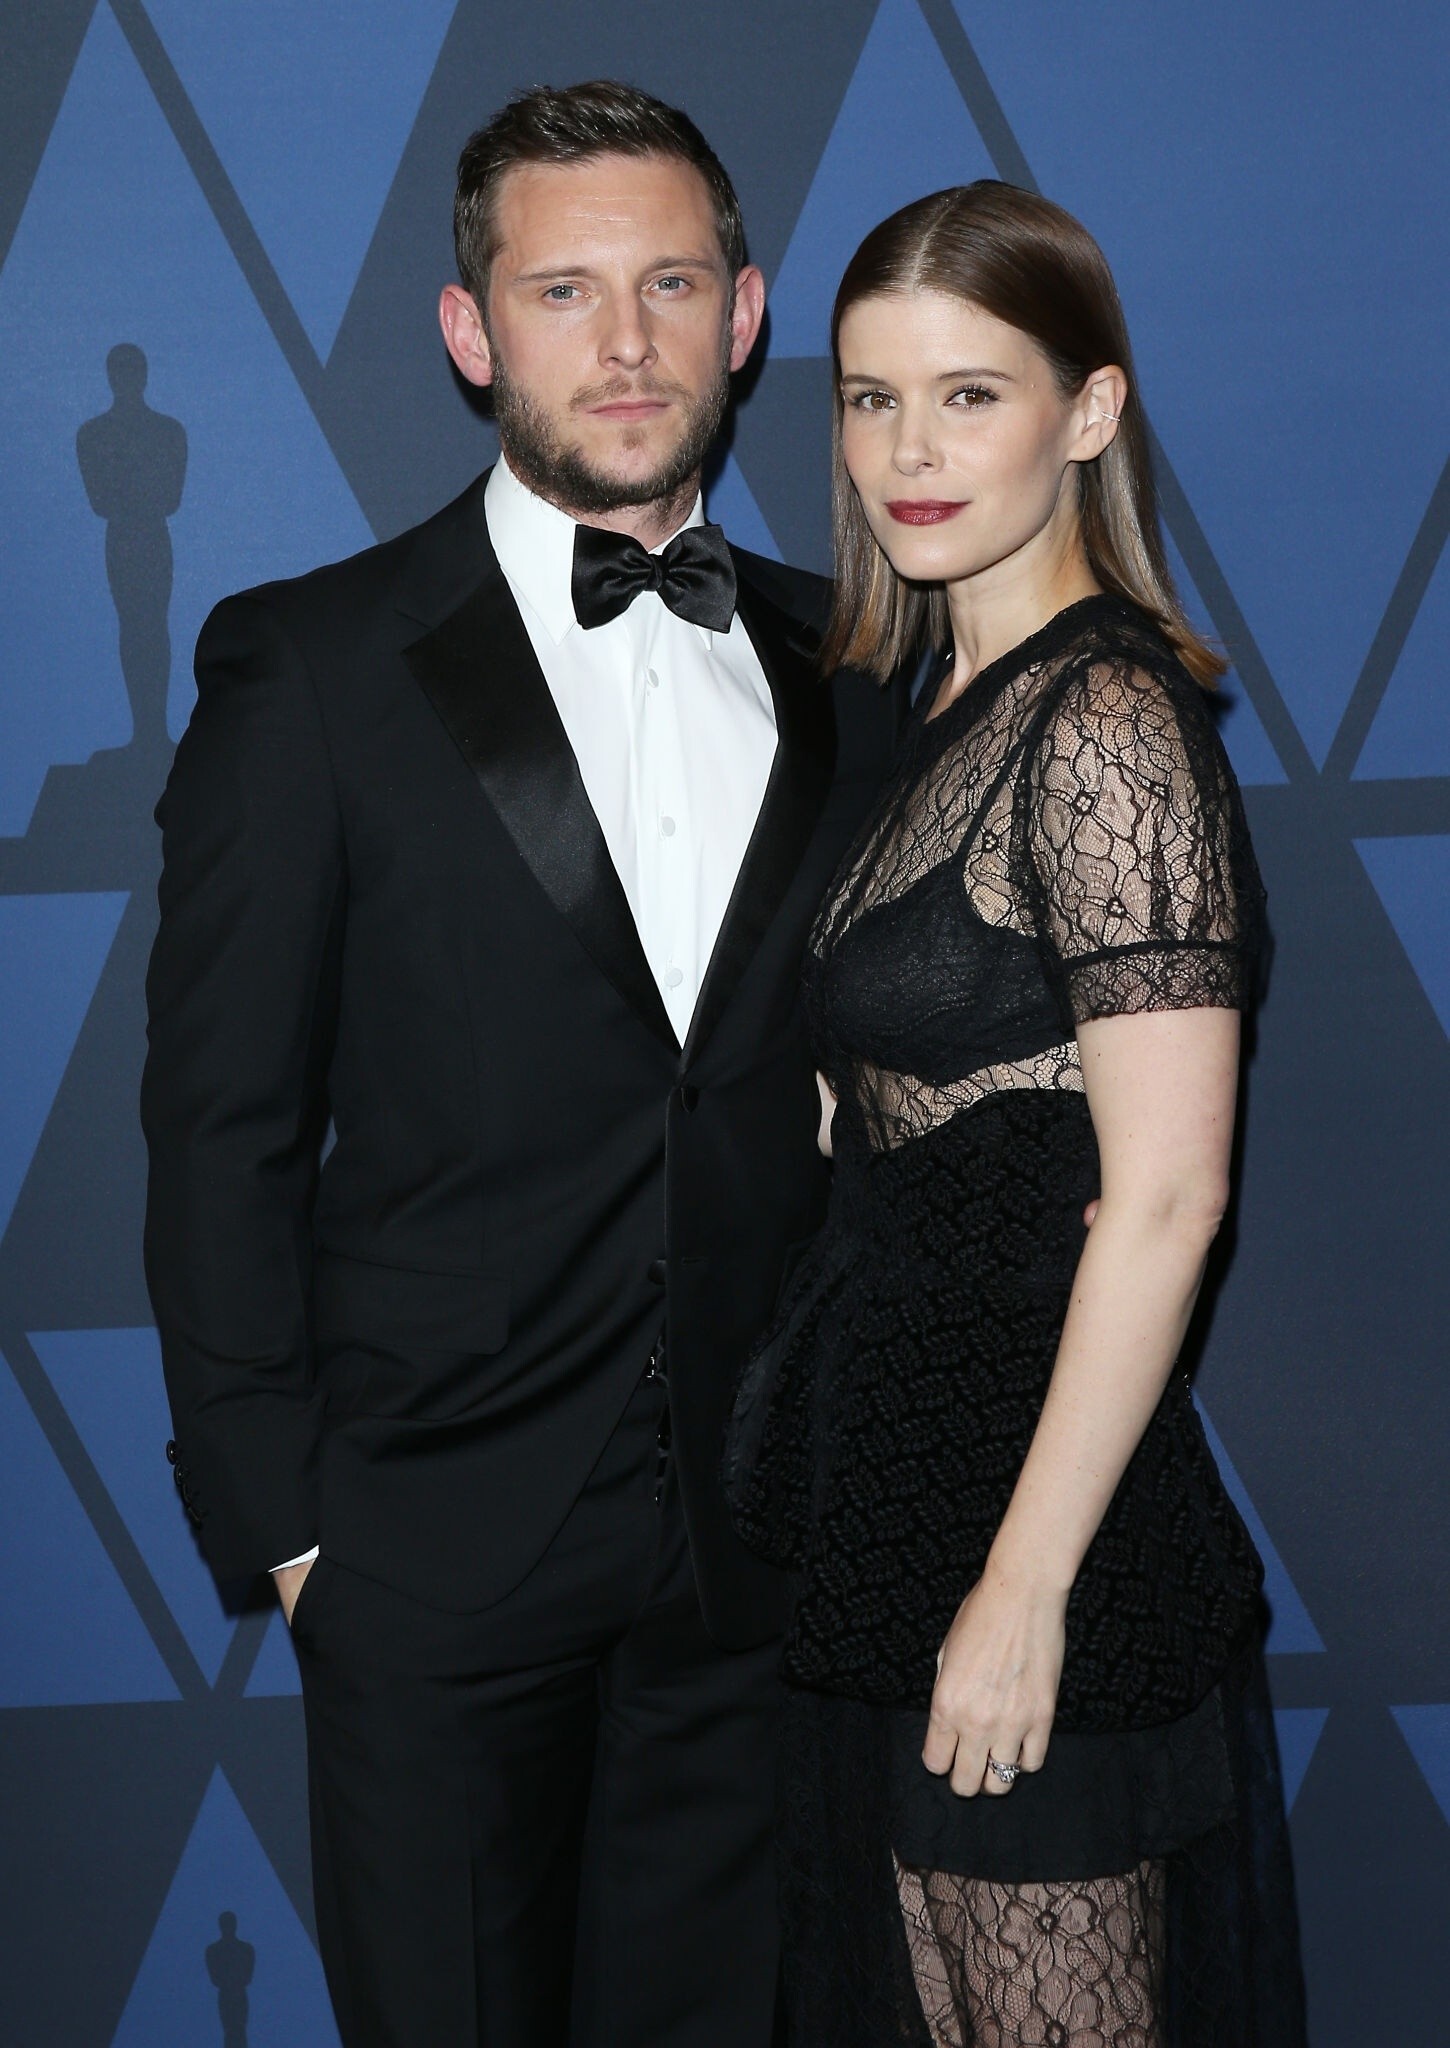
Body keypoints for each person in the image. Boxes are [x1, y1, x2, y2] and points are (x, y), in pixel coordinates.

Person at [142, 82, 899, 2048]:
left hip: (763, 1560)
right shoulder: (310, 668)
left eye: (670, 284)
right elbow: (218, 1130)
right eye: (564, 291)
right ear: (471, 331)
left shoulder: (860, 668)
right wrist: (294, 1536)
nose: (625, 342)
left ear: (745, 313)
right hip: (428, 1554)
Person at [724, 182, 1306, 2046]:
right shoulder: (934, 703)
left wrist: (1024, 1582)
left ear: (1089, 410)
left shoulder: (1104, 722)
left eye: (970, 396)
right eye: (871, 398)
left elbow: (1169, 1196)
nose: (909, 451)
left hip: (1030, 1514)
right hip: (897, 1493)